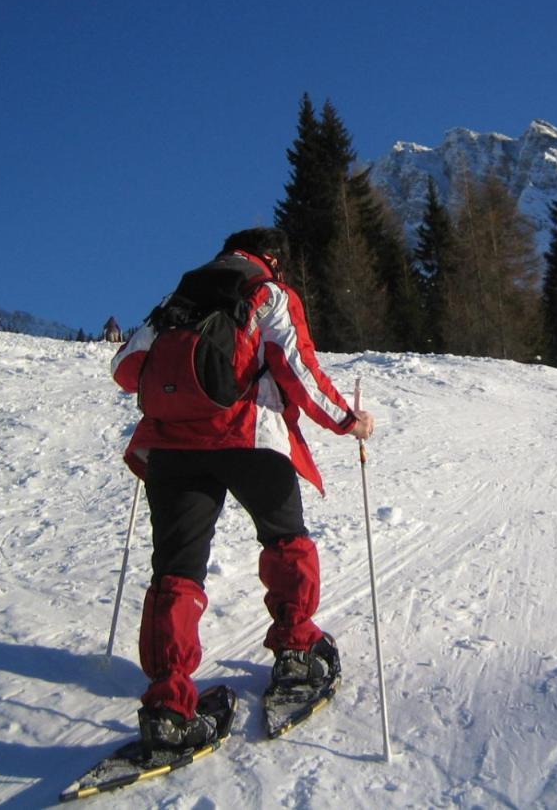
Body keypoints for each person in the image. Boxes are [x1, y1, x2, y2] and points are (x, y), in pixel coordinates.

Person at [110, 227, 374, 753]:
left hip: (172, 448)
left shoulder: (179, 296)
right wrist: (349, 422)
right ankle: (297, 651)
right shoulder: (268, 292)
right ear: (271, 258)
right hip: (249, 436)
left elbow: (125, 369)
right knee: (284, 539)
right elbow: (299, 369)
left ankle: (167, 707)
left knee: (175, 571)